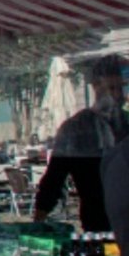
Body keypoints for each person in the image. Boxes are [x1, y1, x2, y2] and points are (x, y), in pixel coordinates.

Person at [38, 56, 128, 231]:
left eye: (121, 87)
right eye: (111, 88)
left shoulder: (125, 123)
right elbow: (54, 177)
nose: (118, 95)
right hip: (97, 221)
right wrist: (40, 214)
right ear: (96, 87)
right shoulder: (76, 128)